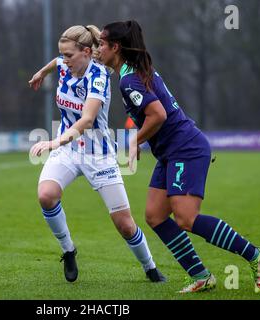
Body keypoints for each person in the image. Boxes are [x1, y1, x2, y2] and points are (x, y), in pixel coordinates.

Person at [98, 20, 260, 293]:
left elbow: (158, 114)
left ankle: (254, 254)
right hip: (171, 152)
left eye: (101, 44)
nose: (98, 49)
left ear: (115, 47)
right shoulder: (132, 72)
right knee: (155, 216)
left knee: (186, 218)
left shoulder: (130, 79)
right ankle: (201, 276)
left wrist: (134, 141)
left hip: (185, 149)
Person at [28, 25, 166, 283]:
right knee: (46, 195)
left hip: (97, 153)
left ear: (87, 52)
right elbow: (55, 62)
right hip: (68, 150)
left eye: (69, 55)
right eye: (62, 54)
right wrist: (41, 73)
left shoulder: (99, 76)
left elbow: (87, 120)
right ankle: (69, 250)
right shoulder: (64, 64)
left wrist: (53, 143)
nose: (64, 60)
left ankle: (150, 267)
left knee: (125, 224)